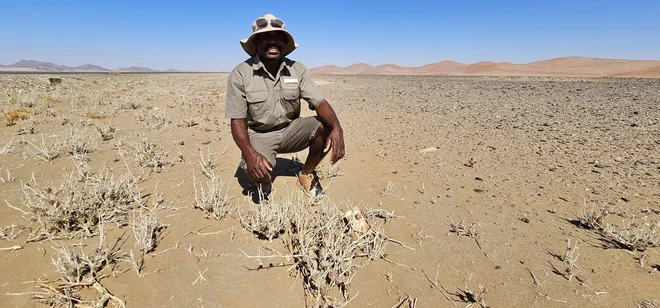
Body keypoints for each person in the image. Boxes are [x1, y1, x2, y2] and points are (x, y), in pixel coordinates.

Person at [225, 14, 345, 199]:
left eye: (279, 37)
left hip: (291, 130)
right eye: (266, 36)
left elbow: (319, 102)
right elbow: (238, 122)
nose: (273, 41)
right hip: (260, 135)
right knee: (257, 171)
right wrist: (250, 154)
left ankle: (307, 173)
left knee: (326, 125)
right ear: (256, 42)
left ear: (285, 43)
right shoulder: (241, 74)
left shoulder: (297, 69)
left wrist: (337, 128)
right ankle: (264, 179)